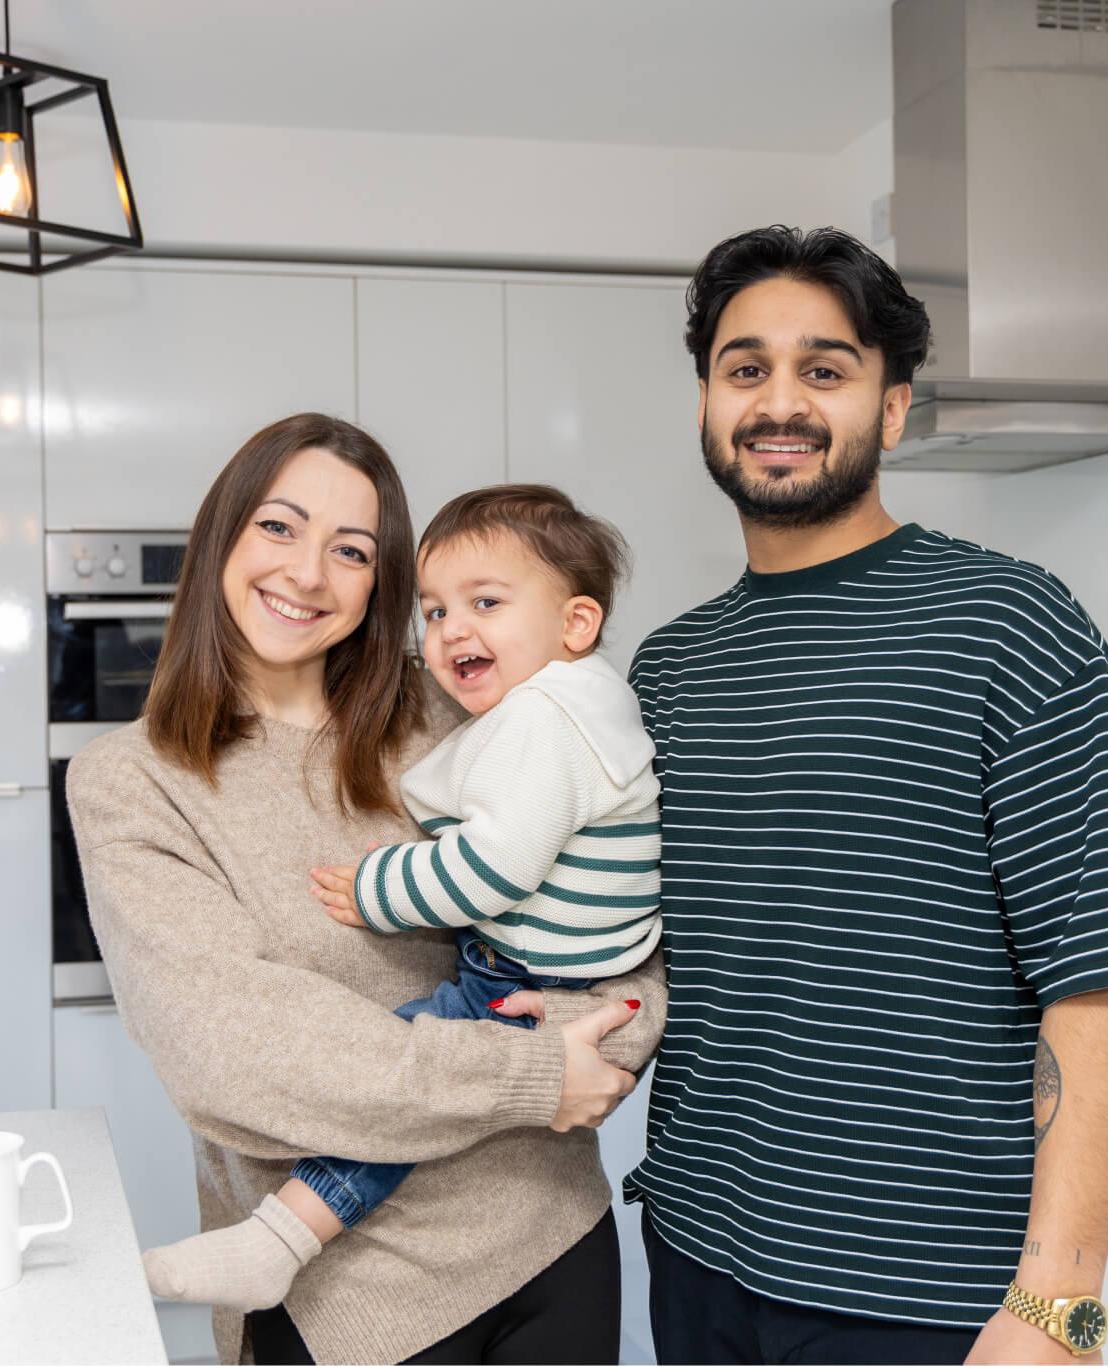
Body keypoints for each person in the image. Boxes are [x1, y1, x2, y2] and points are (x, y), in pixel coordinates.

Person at [625, 227, 1108, 1366]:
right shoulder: (668, 669)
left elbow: (1100, 984)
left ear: (889, 411)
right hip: (696, 1249)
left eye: (822, 370)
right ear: (702, 400)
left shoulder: (1008, 626)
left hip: (923, 1292)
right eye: (744, 369)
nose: (776, 401)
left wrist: (1060, 1310)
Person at [66, 414, 666, 1365]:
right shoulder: (133, 780)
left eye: (349, 550)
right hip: (347, 1302)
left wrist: (621, 1031)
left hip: (555, 1234)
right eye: (278, 528)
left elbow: (616, 899)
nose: (307, 573)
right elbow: (240, 1057)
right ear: (222, 536)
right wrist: (541, 1072)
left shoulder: (467, 715)